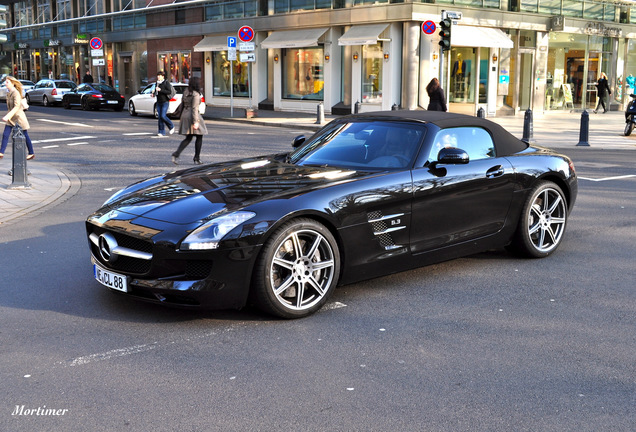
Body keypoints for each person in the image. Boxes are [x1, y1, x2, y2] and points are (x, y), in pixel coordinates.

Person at [171, 76, 207, 165]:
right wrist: (196, 121)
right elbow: (195, 108)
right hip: (192, 115)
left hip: (185, 114)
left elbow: (183, 103)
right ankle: (197, 158)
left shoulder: (186, 91)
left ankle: (176, 153)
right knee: (199, 136)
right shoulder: (196, 94)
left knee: (189, 137)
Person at [0, 76, 35, 160]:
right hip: (12, 118)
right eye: (6, 82)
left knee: (25, 135)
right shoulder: (9, 93)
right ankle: (1, 153)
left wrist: (7, 116)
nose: (5, 83)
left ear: (12, 83)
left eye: (7, 82)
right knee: (5, 134)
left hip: (19, 117)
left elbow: (16, 107)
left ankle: (31, 153)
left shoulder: (16, 93)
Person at [152, 71, 175, 137]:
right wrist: (153, 94)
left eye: (159, 76)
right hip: (158, 102)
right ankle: (161, 131)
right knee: (160, 117)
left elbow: (169, 91)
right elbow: (156, 91)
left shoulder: (166, 83)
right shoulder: (157, 83)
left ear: (163, 76)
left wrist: (160, 90)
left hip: (165, 102)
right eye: (158, 75)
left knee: (163, 116)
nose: (158, 77)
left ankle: (171, 126)